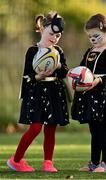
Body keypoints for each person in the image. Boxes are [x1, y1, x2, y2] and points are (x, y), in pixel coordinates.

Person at [7, 11, 69, 172]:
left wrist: (58, 66)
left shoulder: (58, 52)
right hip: (36, 93)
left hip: (54, 92)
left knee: (51, 128)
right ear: (42, 29)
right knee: (35, 128)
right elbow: (27, 74)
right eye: (51, 33)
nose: (54, 38)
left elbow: (64, 72)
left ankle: (48, 162)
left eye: (58, 36)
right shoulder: (32, 51)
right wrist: (37, 76)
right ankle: (16, 160)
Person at [71, 13, 106, 172]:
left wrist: (99, 80)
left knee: (103, 130)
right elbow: (82, 68)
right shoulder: (90, 51)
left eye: (96, 36)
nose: (93, 39)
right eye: (90, 36)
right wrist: (74, 74)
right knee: (94, 130)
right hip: (89, 94)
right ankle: (94, 163)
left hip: (103, 94)